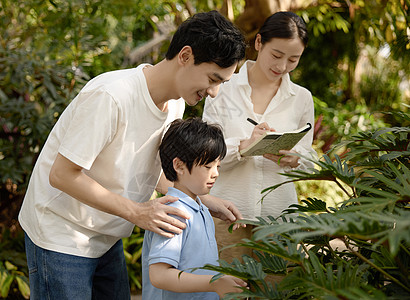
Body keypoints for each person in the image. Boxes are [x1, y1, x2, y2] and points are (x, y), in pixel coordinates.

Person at [18, 10, 246, 300]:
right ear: (185, 56)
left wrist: (201, 198)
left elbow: (152, 170)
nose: (213, 92)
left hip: (107, 233)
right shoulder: (111, 96)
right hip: (60, 234)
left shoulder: (176, 105)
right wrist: (137, 212)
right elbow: (62, 174)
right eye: (213, 78)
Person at [203, 11, 317, 262]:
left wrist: (295, 159)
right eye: (276, 55)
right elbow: (206, 152)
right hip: (229, 214)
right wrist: (244, 146)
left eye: (293, 60)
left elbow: (309, 156)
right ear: (258, 43)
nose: (282, 66)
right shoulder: (223, 88)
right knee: (227, 290)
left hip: (280, 216)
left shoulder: (302, 99)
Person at [142, 118, 247, 299]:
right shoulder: (173, 213)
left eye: (218, 166)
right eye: (208, 166)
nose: (215, 173)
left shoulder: (201, 209)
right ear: (179, 165)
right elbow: (159, 276)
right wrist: (215, 283)